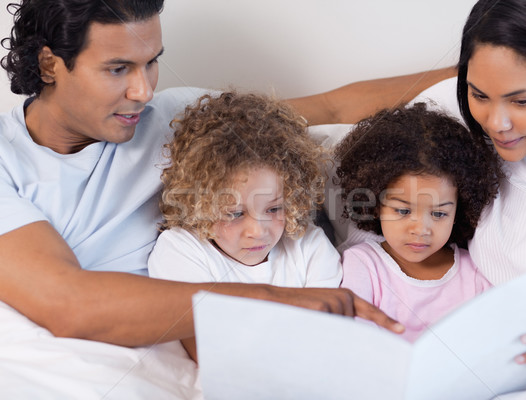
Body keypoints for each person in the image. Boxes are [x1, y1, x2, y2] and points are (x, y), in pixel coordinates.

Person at [0, 0, 413, 392]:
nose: (143, 91)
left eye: (152, 62)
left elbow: (333, 106)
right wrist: (279, 300)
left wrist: (470, 72)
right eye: (118, 68)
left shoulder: (179, 123)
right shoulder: (6, 157)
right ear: (50, 65)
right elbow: (68, 303)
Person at [293, 0, 526, 387]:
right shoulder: (466, 141)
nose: (496, 123)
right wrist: (212, 116)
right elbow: (336, 109)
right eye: (479, 95)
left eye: (522, 101)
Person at [148, 91, 343, 360]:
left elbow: (326, 338)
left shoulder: (309, 245)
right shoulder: (180, 250)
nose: (258, 231)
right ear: (197, 204)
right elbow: (208, 351)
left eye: (274, 208)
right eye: (234, 213)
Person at [335, 104, 499, 342]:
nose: (421, 230)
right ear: (375, 205)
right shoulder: (362, 264)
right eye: (403, 210)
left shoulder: (474, 272)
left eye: (439, 214)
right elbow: (353, 336)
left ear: (459, 211)